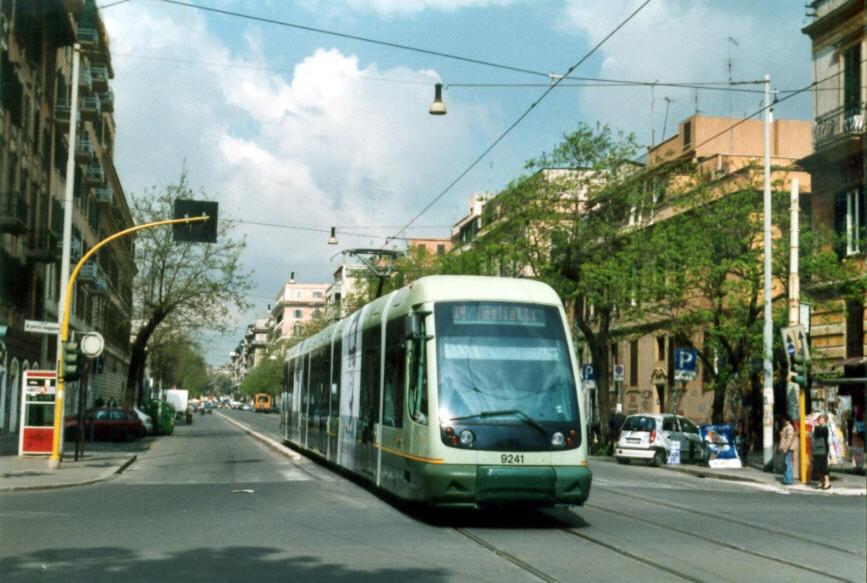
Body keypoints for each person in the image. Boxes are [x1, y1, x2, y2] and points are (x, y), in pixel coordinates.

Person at [812, 413, 831, 490]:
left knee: (823, 466)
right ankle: (821, 482)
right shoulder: (818, 428)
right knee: (818, 466)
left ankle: (827, 482)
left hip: (823, 449)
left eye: (823, 420)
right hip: (817, 448)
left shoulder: (825, 428)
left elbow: (818, 434)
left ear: (825, 421)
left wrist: (816, 427)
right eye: (820, 420)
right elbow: (815, 435)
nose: (821, 421)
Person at [778, 414, 798, 485]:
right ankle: (787, 479)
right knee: (787, 463)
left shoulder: (789, 427)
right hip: (787, 447)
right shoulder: (787, 426)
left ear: (785, 419)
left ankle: (788, 480)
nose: (782, 420)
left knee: (788, 463)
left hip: (788, 448)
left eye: (783, 419)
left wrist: (786, 448)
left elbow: (789, 439)